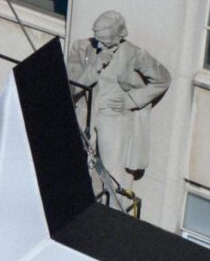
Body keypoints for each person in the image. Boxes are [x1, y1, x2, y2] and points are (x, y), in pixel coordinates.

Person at [67, 10, 171, 181]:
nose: (100, 45)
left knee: (112, 172)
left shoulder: (134, 54)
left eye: (106, 42)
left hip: (112, 118)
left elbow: (163, 79)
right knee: (76, 167)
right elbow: (72, 89)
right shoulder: (82, 48)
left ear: (119, 36)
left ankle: (111, 203)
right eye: (98, 40)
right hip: (85, 115)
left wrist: (132, 100)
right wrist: (95, 66)